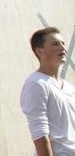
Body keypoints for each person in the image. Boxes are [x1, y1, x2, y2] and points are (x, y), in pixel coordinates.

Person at [20, 27, 75, 155]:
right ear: (39, 51)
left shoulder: (69, 87)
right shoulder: (36, 83)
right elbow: (39, 130)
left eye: (63, 43)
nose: (63, 48)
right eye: (55, 44)